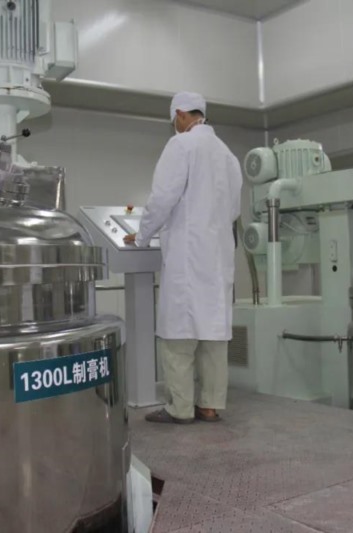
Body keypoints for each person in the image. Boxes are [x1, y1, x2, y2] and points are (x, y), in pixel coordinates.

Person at [123, 92, 243, 424]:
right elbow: (234, 209)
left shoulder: (181, 146)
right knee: (213, 334)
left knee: (179, 334)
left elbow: (162, 198)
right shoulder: (227, 154)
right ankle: (210, 405)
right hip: (218, 255)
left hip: (188, 255)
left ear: (179, 114)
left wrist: (142, 235)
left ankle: (180, 408)